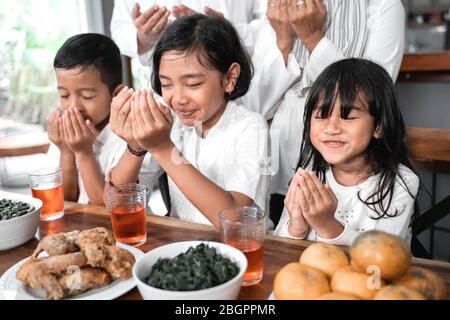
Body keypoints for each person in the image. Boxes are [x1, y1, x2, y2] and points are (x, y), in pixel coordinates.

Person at [243, 0, 406, 225]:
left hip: (354, 176)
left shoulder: (382, 6)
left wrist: (313, 40)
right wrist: (283, 42)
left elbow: (375, 98)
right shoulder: (279, 7)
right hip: (280, 168)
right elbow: (256, 107)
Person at [106, 14, 270, 229]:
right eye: (166, 84)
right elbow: (112, 201)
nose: (179, 99)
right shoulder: (170, 122)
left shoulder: (251, 127)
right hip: (183, 247)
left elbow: (235, 222)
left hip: (243, 252)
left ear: (230, 78)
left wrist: (164, 149)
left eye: (193, 84)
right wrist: (135, 146)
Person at [274, 58, 419, 245]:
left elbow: (385, 258)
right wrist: (297, 226)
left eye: (348, 116)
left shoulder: (401, 182)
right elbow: (278, 246)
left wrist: (327, 226)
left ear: (378, 127)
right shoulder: (311, 174)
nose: (332, 128)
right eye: (321, 115)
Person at [46, 33, 127, 205]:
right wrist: (66, 152)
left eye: (87, 96)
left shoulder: (128, 139)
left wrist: (84, 152)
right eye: (64, 95)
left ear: (116, 95)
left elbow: (106, 209)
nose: (73, 106)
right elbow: (64, 202)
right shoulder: (64, 133)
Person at [110, 0, 267, 67]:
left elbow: (271, 25)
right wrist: (143, 38)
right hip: (167, 92)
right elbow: (120, 29)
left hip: (233, 85)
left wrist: (225, 31)